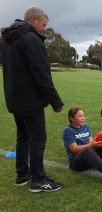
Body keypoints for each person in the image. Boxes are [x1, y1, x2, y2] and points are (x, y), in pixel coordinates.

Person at [1, 6, 64, 192]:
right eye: (43, 24)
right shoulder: (31, 39)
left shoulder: (7, 40)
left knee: (23, 136)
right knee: (38, 138)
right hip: (30, 100)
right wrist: (55, 101)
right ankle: (38, 180)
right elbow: (41, 73)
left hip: (14, 99)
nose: (44, 29)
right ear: (33, 20)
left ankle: (22, 174)